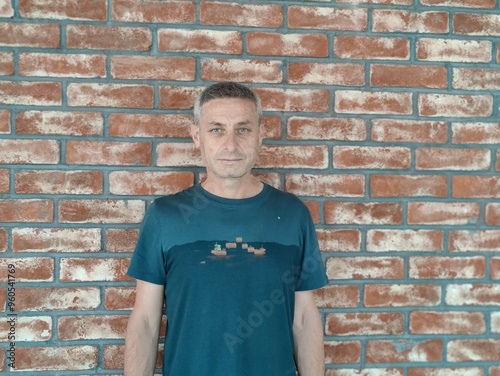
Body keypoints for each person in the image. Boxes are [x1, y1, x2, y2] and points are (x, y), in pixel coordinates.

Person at [124, 82, 328, 376]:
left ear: (261, 136)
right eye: (217, 129)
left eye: (243, 129)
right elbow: (145, 321)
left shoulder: (293, 213)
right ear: (197, 136)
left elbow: (305, 318)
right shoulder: (165, 216)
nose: (230, 145)